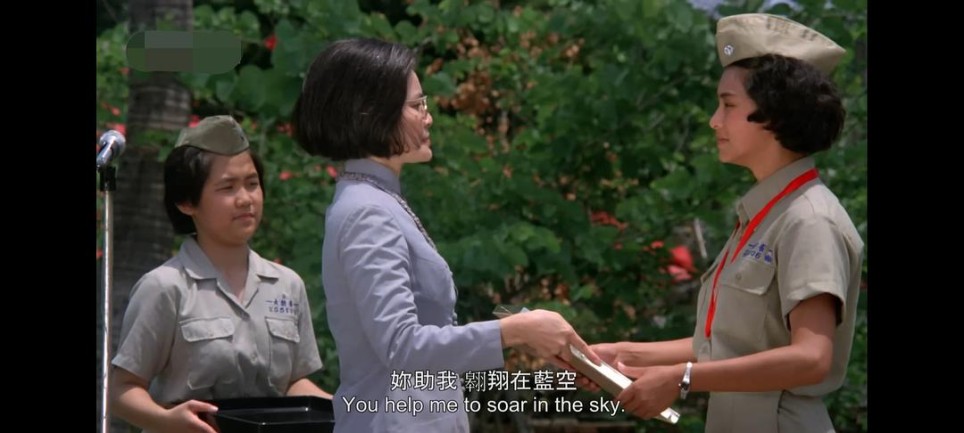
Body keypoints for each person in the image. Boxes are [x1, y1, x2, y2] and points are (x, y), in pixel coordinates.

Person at [292, 38, 601, 433]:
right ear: (371, 113)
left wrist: (521, 333)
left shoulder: (376, 198)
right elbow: (401, 346)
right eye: (417, 105)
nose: (429, 117)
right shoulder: (368, 210)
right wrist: (516, 331)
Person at [581, 13, 865, 433]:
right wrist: (625, 355)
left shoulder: (809, 219)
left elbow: (811, 357)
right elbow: (725, 345)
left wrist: (683, 378)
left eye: (728, 105)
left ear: (776, 114)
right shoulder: (767, 214)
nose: (715, 120)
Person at [110, 115, 332, 433]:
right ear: (187, 202)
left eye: (252, 184)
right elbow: (121, 390)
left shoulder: (287, 285)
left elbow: (294, 383)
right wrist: (167, 421)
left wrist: (350, 410)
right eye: (227, 187)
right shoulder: (166, 287)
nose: (245, 199)